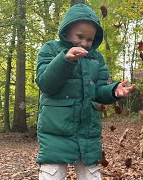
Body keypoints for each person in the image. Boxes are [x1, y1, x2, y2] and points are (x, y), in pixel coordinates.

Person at [35, 4, 135, 180]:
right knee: (52, 174)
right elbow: (46, 84)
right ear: (66, 31)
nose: (84, 43)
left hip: (87, 130)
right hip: (55, 130)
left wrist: (113, 90)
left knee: (91, 174)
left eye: (90, 39)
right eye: (80, 37)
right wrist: (65, 60)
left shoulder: (96, 58)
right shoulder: (50, 50)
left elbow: (98, 90)